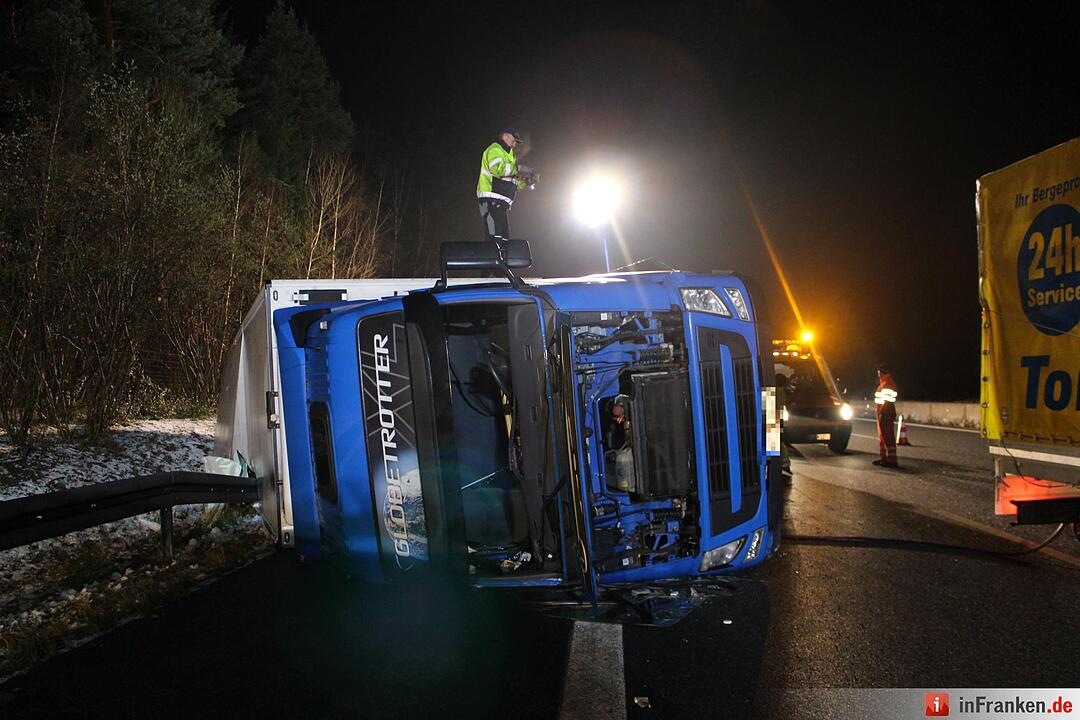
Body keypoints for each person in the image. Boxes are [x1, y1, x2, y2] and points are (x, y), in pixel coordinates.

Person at [477, 127, 528, 242]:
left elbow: (509, 179)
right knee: (494, 240)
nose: (515, 144)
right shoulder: (495, 149)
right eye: (513, 140)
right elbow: (499, 170)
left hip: (500, 202)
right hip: (491, 199)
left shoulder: (508, 155)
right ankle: (494, 258)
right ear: (505, 136)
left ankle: (501, 259)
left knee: (504, 241)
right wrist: (519, 168)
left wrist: (525, 183)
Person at [873, 363, 899, 467]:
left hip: (886, 412)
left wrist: (882, 412)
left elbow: (887, 401)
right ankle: (884, 459)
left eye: (879, 372)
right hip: (883, 412)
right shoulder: (884, 383)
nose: (878, 375)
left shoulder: (887, 383)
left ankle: (892, 460)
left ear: (882, 372)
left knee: (888, 437)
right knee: (883, 436)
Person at [776, 373, 792, 475]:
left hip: (772, 416)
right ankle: (784, 463)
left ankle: (777, 464)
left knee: (775, 443)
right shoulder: (783, 391)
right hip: (778, 417)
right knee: (780, 441)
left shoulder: (773, 390)